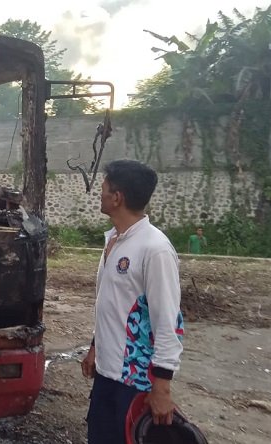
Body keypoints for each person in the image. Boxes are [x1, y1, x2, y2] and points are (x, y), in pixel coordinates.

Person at [80, 159, 184, 444]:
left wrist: (162, 387)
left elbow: (168, 323)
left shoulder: (155, 249)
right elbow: (113, 304)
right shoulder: (114, 240)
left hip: (135, 380)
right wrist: (94, 347)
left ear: (117, 198)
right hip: (106, 374)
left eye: (103, 188)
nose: (98, 194)